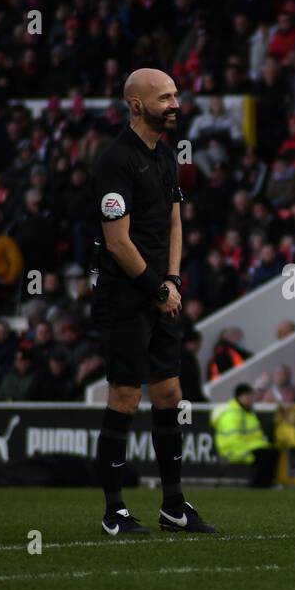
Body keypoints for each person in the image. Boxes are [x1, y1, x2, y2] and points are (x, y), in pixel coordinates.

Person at [91, 67, 216, 534]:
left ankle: (173, 506)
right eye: (165, 97)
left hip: (161, 293)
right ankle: (114, 511)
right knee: (125, 395)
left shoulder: (165, 159)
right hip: (127, 296)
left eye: (176, 96)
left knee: (170, 393)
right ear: (137, 105)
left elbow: (175, 223)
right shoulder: (115, 161)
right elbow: (119, 243)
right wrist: (158, 288)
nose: (175, 104)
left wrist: (174, 279)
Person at [211, 383, 279, 488]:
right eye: (248, 396)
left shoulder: (247, 412)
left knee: (272, 452)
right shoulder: (232, 414)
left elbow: (254, 438)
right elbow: (233, 440)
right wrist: (247, 455)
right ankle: (257, 486)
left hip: (249, 447)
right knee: (266, 455)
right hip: (233, 451)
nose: (251, 399)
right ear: (240, 397)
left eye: (251, 396)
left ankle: (264, 485)